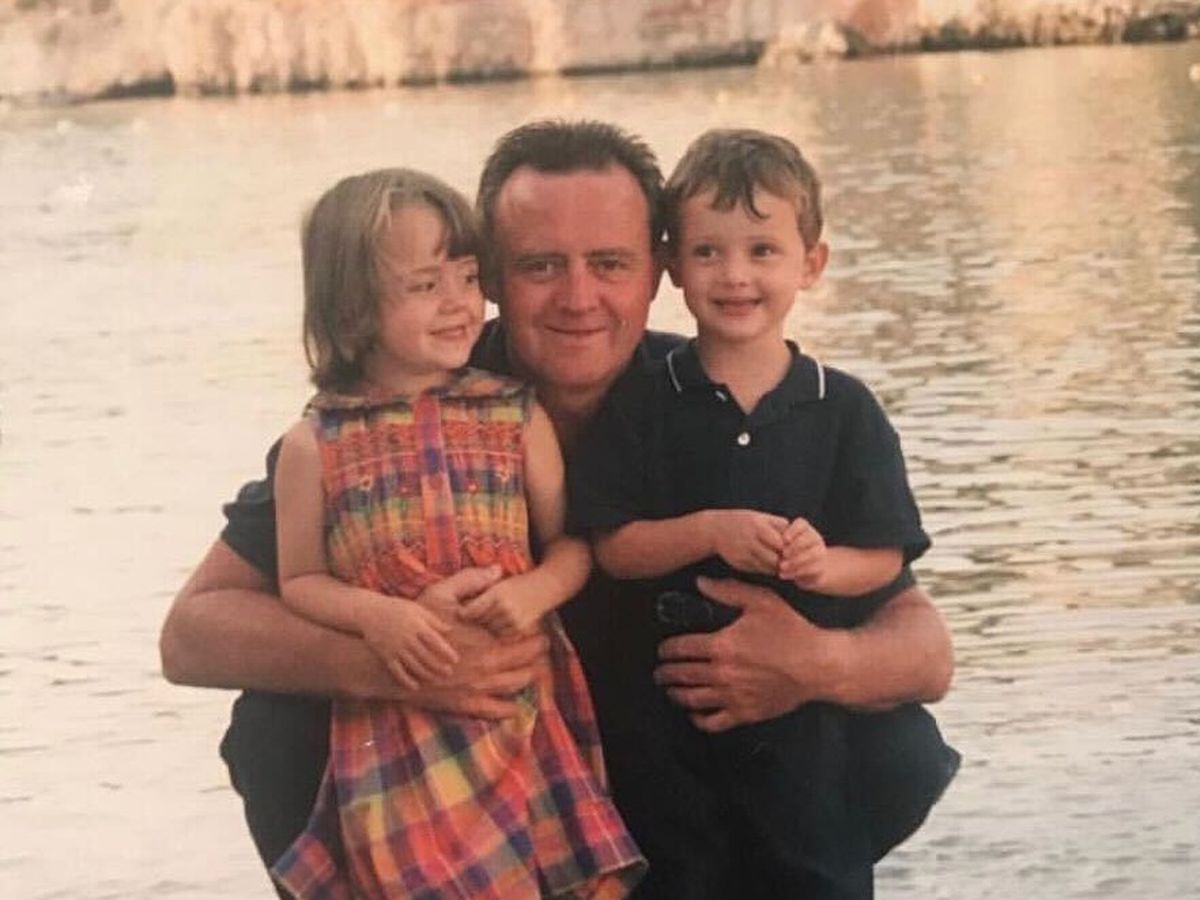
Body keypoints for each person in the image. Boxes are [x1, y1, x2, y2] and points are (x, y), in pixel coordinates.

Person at [158, 119, 955, 898]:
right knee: (273, 725)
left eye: (609, 263)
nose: (579, 298)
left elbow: (925, 653)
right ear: (490, 278)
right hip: (480, 753)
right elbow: (192, 635)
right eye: (540, 266)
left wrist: (815, 665)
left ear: (659, 270)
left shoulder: (726, 398)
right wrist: (410, 666)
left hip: (676, 752)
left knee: (893, 742)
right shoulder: (395, 412)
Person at [568, 128, 959, 899]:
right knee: (682, 874)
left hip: (802, 724)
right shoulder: (642, 399)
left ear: (811, 263)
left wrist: (821, 566)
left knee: (816, 869)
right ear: (672, 266)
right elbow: (613, 546)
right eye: (708, 252)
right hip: (666, 719)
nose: (735, 274)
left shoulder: (843, 409)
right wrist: (709, 531)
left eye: (762, 250)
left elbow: (883, 554)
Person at [264, 168, 643, 897]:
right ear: (352, 305)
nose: (459, 303)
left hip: (518, 718)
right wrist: (381, 618)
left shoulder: (514, 415)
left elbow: (573, 546)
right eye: (425, 284)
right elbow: (300, 581)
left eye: (468, 278)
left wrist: (534, 592)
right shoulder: (314, 445)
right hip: (397, 731)